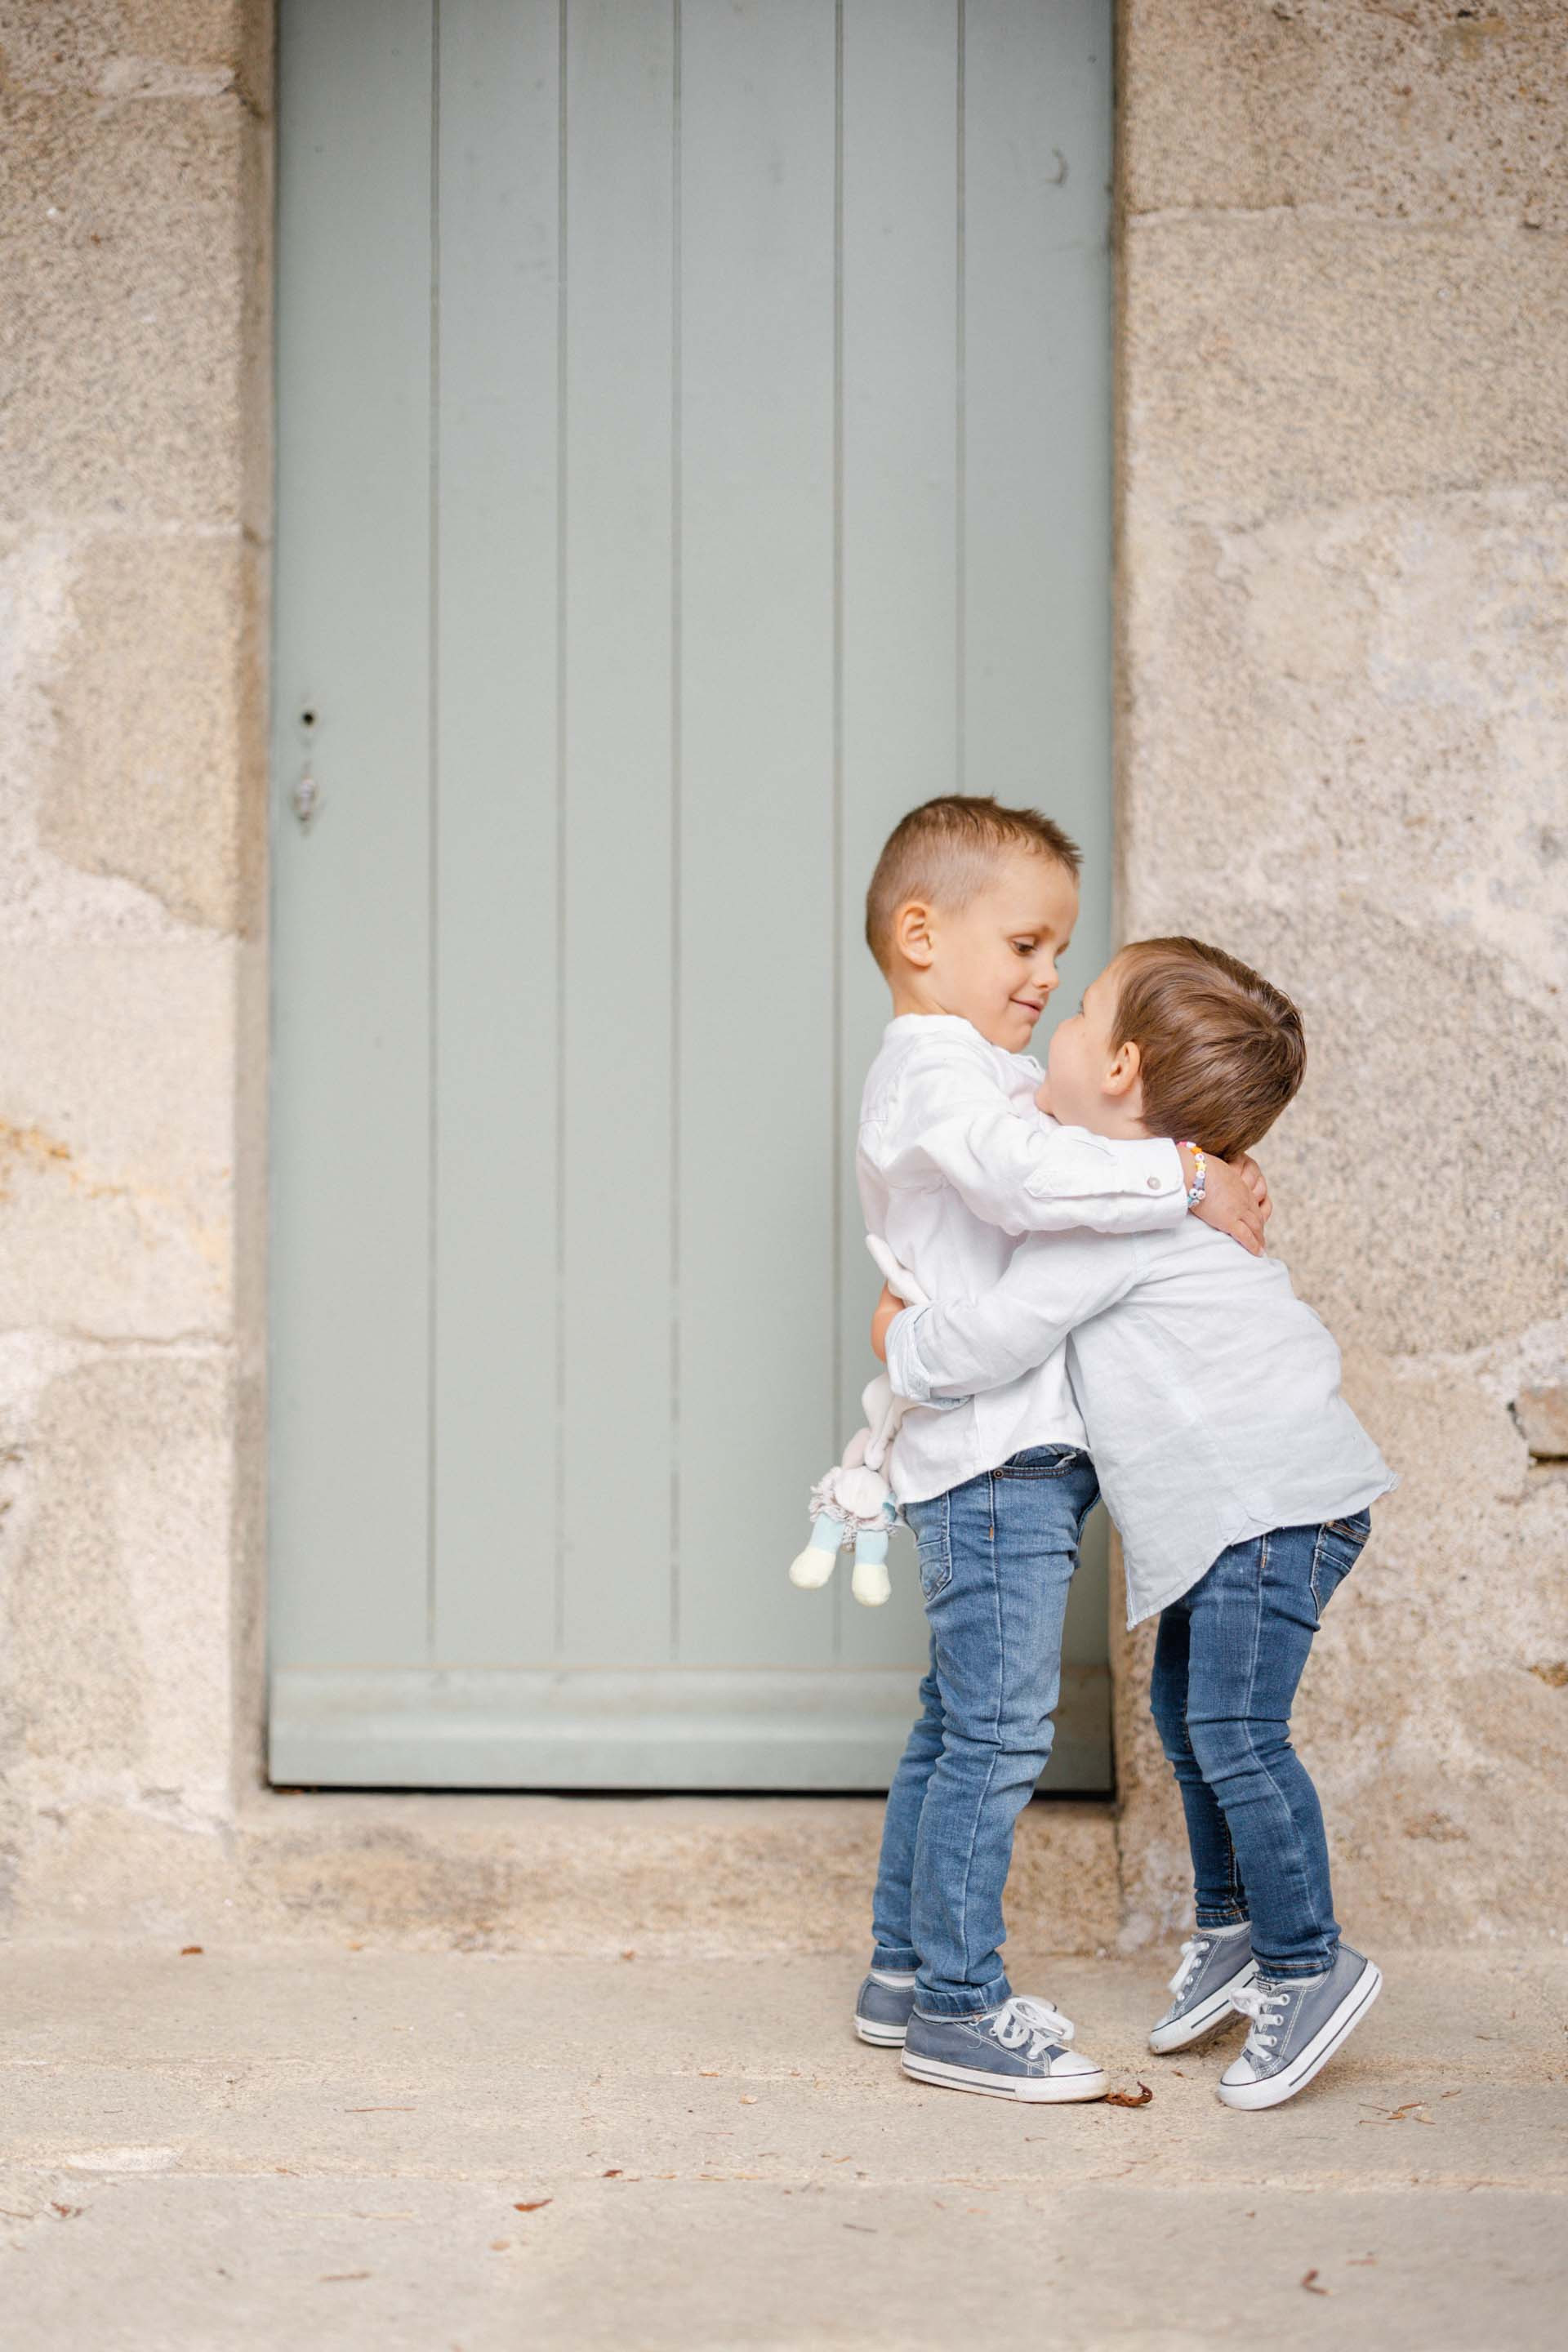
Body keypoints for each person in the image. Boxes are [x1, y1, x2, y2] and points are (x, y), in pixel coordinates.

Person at [877, 935, 1396, 2111]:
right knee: (1188, 1711)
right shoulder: (1136, 1183)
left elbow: (996, 1335)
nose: (1048, 1018)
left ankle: (1308, 1961)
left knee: (1236, 1731)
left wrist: (899, 1341)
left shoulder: (1109, 1221)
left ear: (1116, 1070)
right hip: (1249, 1511)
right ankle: (1230, 1932)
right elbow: (1016, 1130)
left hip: (1273, 1506)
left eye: (1079, 1012)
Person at [850, 797, 1269, 2103]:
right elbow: (1033, 1186)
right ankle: (961, 2006)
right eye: (1028, 947)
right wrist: (1186, 1181)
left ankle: (905, 1972)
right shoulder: (935, 1070)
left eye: (1059, 957)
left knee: (953, 1725)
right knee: (998, 1733)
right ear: (923, 934)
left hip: (1006, 1454)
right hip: (991, 1459)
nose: (1047, 980)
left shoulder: (973, 1072)